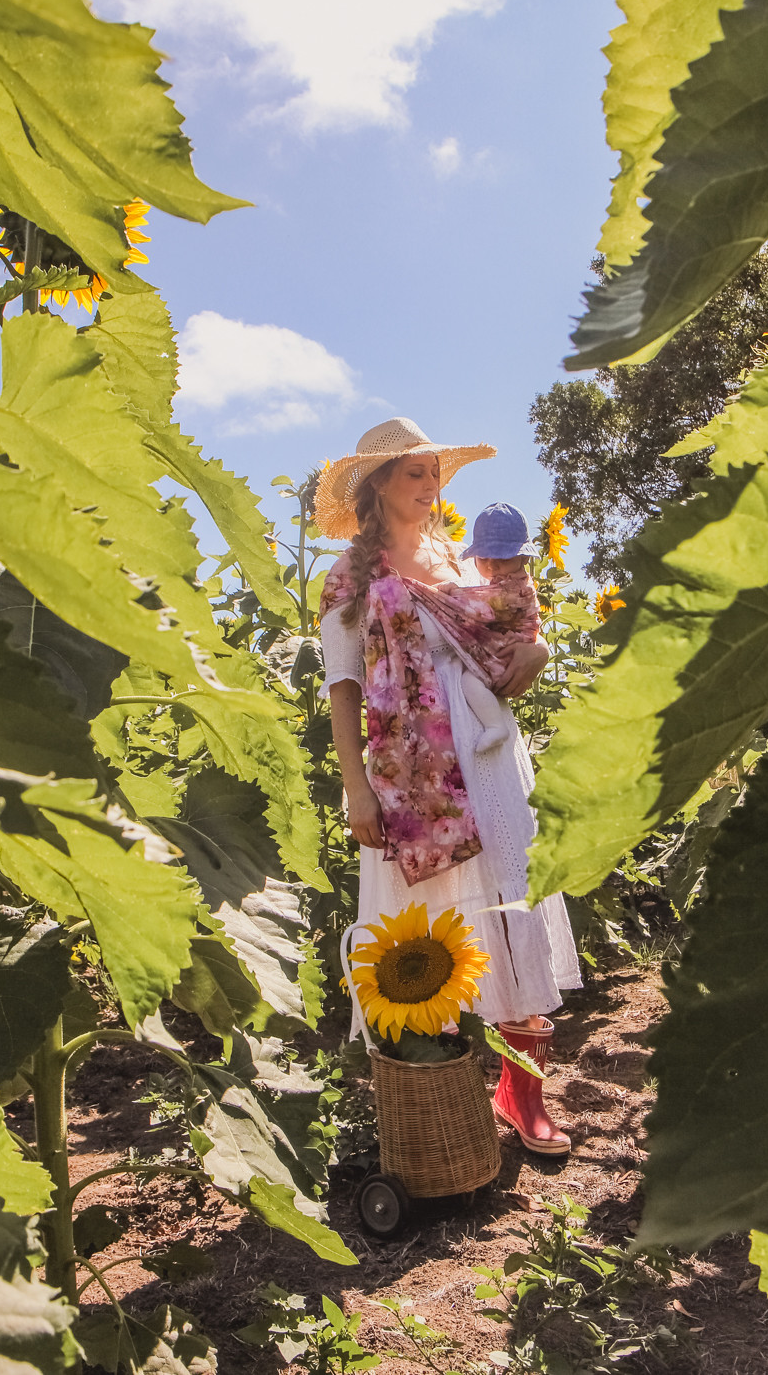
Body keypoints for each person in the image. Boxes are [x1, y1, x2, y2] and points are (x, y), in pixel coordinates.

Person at [315, 417, 581, 1156]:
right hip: (411, 779)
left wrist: (539, 649)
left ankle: (522, 1098)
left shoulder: (457, 562)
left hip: (491, 754)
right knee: (432, 928)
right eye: (415, 473)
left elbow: (503, 638)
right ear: (378, 485)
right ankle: (444, 1106)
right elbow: (342, 688)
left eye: (436, 473)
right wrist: (356, 790)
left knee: (513, 905)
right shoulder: (351, 579)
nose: (432, 487)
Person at [456, 502, 540, 753]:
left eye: (501, 557)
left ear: (523, 557)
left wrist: (451, 594)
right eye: (483, 558)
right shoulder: (508, 579)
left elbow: (478, 606)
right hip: (510, 646)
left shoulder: (515, 587)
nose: (491, 565)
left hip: (509, 652)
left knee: (470, 681)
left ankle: (494, 726)